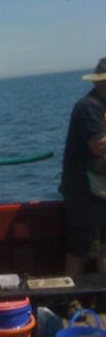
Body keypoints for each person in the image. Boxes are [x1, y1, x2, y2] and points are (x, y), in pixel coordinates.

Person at [59, 57, 106, 283]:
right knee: (81, 248)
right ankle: (65, 300)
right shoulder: (88, 107)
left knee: (103, 247)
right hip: (84, 192)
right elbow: (99, 146)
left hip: (100, 190)